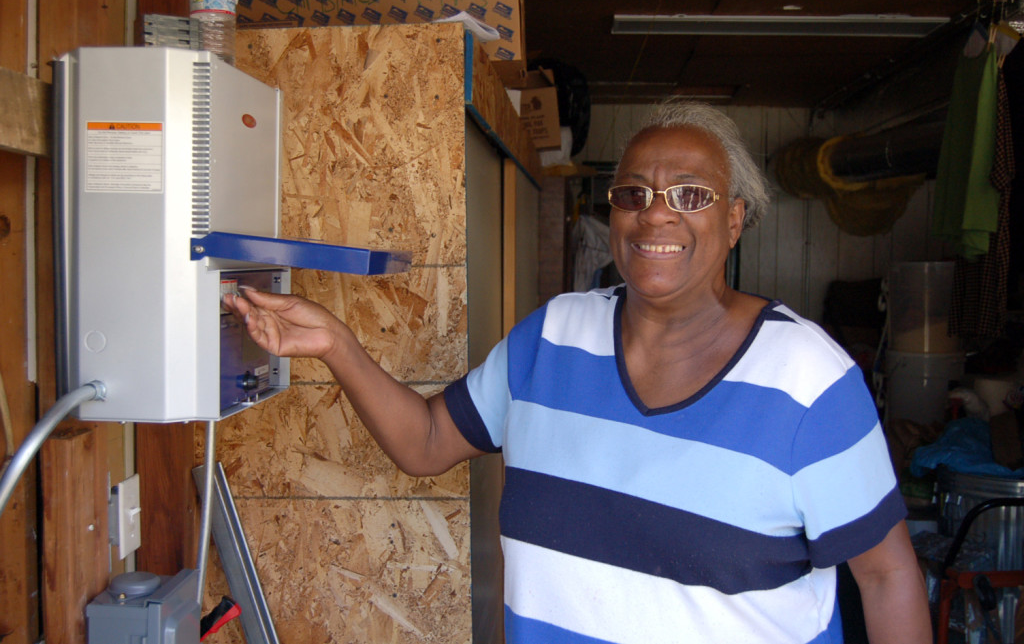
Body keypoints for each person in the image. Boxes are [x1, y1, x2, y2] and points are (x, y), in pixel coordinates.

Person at [222, 100, 931, 644]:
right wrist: (337, 343)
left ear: (736, 219)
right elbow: (427, 440)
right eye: (634, 193)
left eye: (691, 194)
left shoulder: (809, 379)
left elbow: (887, 574)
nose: (657, 215)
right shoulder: (554, 336)